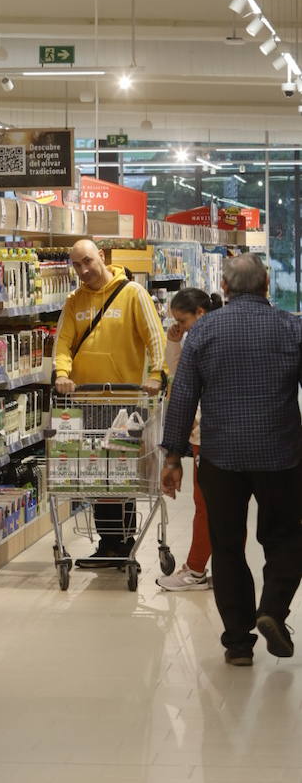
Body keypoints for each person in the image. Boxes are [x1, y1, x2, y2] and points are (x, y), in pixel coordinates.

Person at [161, 254, 302, 666]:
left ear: (223, 288)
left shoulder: (203, 330)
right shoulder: (292, 327)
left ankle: (238, 643)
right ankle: (272, 610)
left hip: (220, 457)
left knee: (226, 547)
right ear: (266, 285)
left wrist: (174, 456)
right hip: (281, 456)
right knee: (286, 539)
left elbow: (183, 397)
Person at [55, 239, 167, 559]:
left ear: (101, 257)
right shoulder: (74, 301)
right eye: (76, 265)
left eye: (88, 261)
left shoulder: (134, 294)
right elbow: (63, 342)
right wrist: (62, 373)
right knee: (95, 475)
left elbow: (155, 338)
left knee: (118, 473)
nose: (83, 270)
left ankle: (122, 541)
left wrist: (157, 376)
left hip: (124, 403)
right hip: (86, 402)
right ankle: (108, 543)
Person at [155, 287, 222, 591]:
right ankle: (215, 569)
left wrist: (172, 453)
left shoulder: (210, 340)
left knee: (207, 506)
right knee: (213, 506)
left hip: (208, 436)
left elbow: (184, 386)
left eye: (182, 321)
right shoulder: (202, 337)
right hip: (205, 435)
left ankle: (196, 570)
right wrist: (173, 342)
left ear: (201, 314)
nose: (179, 327)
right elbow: (178, 373)